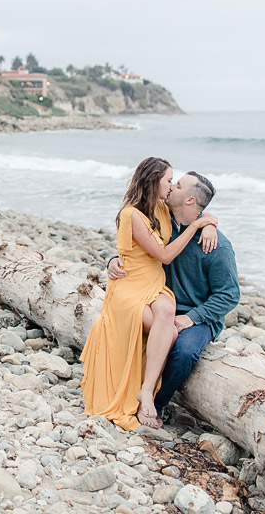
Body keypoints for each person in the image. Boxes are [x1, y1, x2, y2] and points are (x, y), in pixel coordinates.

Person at [80, 157, 218, 431]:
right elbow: (165, 255)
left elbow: (195, 208)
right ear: (153, 181)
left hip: (154, 283)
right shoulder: (131, 214)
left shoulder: (161, 207)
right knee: (168, 331)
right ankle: (148, 392)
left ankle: (145, 392)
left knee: (167, 315)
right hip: (130, 286)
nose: (172, 186)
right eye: (169, 180)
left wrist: (210, 224)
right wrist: (112, 261)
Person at [106, 170, 240, 425]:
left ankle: (157, 404)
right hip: (159, 300)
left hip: (199, 314)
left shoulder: (217, 247)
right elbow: (136, 248)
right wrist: (113, 261)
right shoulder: (163, 222)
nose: (170, 187)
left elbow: (230, 295)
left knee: (184, 350)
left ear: (189, 200)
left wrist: (192, 317)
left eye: (177, 185)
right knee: (127, 323)